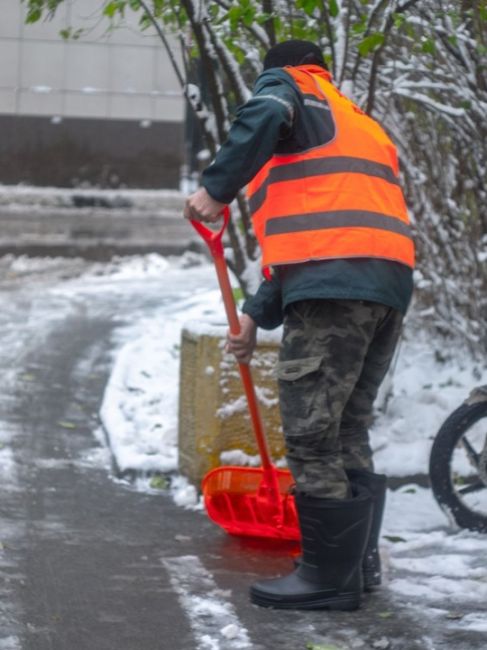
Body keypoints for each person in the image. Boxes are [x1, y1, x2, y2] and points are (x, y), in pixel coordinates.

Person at [184, 40, 415, 611]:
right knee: (346, 428)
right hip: (384, 288)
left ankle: (327, 580)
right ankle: (354, 567)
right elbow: (318, 241)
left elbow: (265, 114)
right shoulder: (355, 120)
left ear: (278, 70)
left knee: (312, 432)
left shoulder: (289, 90)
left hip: (335, 290)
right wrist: (255, 318)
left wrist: (216, 188)